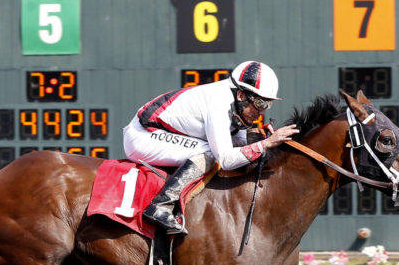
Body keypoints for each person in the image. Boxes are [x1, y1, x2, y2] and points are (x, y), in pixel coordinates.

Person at [123, 60, 300, 235]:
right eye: (260, 103)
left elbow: (237, 140)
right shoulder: (219, 104)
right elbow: (226, 160)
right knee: (209, 152)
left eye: (268, 104)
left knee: (213, 149)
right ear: (241, 95)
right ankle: (161, 205)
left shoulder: (234, 100)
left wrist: (262, 137)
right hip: (142, 135)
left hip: (158, 131)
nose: (262, 112)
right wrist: (266, 143)